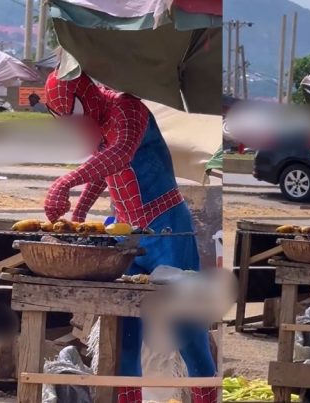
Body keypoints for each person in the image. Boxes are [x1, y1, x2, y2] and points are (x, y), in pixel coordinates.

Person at [43, 71, 216, 403]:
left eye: (74, 118)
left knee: (185, 324)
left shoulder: (127, 109)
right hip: (124, 230)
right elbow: (103, 165)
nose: (76, 127)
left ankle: (205, 395)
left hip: (166, 226)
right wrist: (80, 212)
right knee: (124, 325)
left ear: (87, 98)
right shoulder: (97, 121)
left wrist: (65, 183)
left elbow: (120, 153)